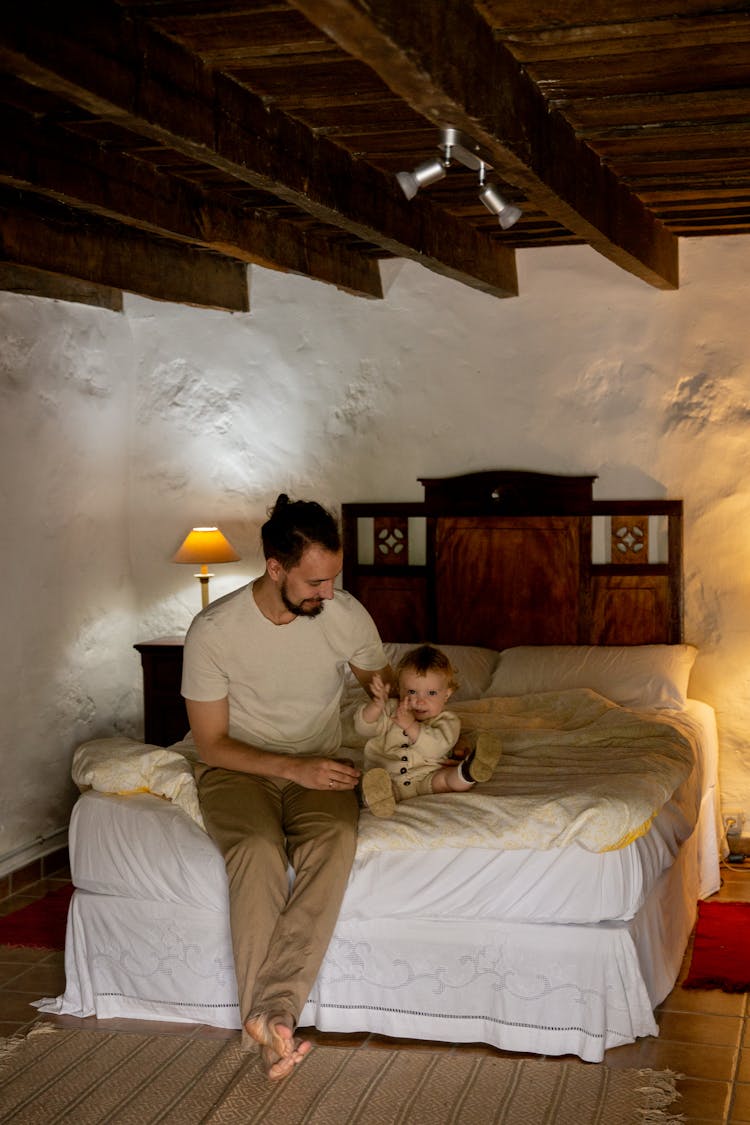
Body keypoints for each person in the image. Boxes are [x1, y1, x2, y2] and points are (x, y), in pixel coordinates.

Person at [181, 494, 392, 1080]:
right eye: (315, 582)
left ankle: (271, 1016)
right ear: (275, 568)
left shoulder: (343, 614)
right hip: (237, 768)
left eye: (333, 581)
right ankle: (273, 1019)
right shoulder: (214, 630)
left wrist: (384, 699)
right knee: (255, 850)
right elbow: (211, 745)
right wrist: (291, 769)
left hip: (320, 760)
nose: (327, 594)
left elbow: (379, 680)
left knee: (333, 843)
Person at [356, 644, 502, 817]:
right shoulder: (391, 709)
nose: (419, 701)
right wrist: (376, 706)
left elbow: (436, 748)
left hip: (427, 777)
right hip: (388, 776)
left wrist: (410, 726)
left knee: (447, 779)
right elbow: (363, 729)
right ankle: (376, 799)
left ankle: (470, 770)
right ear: (399, 689)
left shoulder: (448, 721)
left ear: (446, 695)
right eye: (411, 691)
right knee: (372, 785)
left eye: (431, 693)